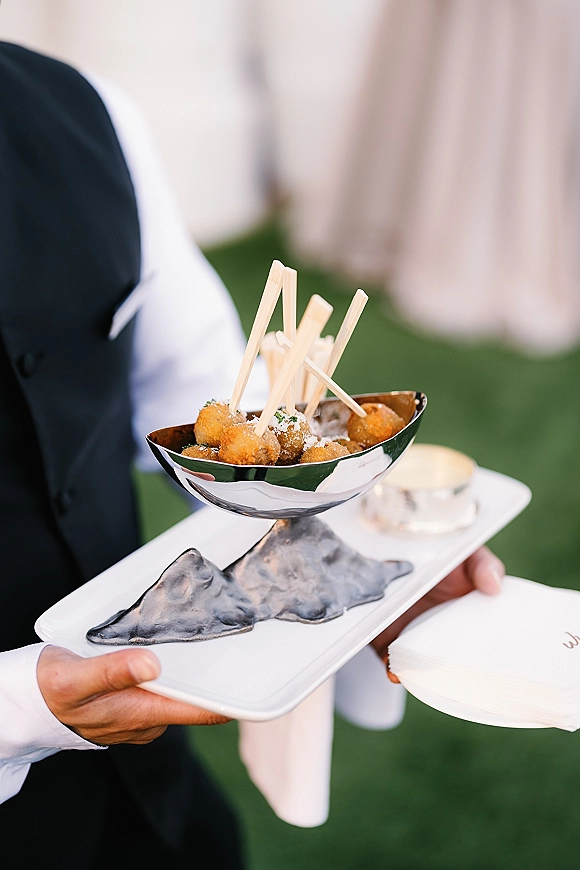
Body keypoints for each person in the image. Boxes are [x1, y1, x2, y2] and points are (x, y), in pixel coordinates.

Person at [0, 40, 504, 869]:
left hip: (147, 774)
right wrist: (20, 710)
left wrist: (361, 560)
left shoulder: (85, 111)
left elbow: (198, 392)